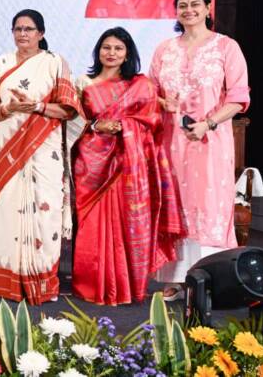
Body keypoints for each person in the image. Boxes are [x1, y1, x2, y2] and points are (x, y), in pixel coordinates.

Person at [71, 27, 185, 305]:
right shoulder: (83, 83)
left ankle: (127, 285)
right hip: (93, 165)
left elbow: (152, 121)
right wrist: (97, 126)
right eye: (106, 47)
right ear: (98, 51)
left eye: (118, 49)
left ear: (127, 54)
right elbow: (75, 123)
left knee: (127, 223)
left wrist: (125, 126)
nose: (111, 53)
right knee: (93, 225)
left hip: (129, 164)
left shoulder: (140, 85)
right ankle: (91, 283)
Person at [150, 0, 250, 300]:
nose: (189, 10)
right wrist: (162, 103)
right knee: (174, 205)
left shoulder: (226, 47)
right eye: (182, 5)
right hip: (171, 142)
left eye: (195, 4)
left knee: (208, 206)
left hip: (210, 141)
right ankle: (176, 279)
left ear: (208, 8)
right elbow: (150, 92)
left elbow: (238, 98)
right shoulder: (165, 49)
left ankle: (210, 281)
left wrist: (208, 123)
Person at [0, 9, 80, 305]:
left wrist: (37, 107)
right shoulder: (0, 64)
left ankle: (42, 282)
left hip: (43, 150)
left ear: (41, 33)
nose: (23, 34)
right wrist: (9, 109)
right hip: (7, 150)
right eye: (18, 29)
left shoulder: (55, 63)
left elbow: (68, 111)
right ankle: (9, 283)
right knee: (7, 214)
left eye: (29, 29)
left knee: (46, 213)